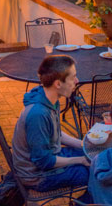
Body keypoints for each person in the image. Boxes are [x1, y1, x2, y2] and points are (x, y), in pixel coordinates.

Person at [12, 55, 89, 192]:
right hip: (36, 176)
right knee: (91, 172)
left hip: (50, 156)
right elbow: (43, 161)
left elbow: (56, 134)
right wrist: (80, 160)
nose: (77, 81)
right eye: (73, 78)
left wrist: (83, 144)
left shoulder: (51, 99)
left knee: (90, 154)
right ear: (58, 84)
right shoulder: (38, 114)